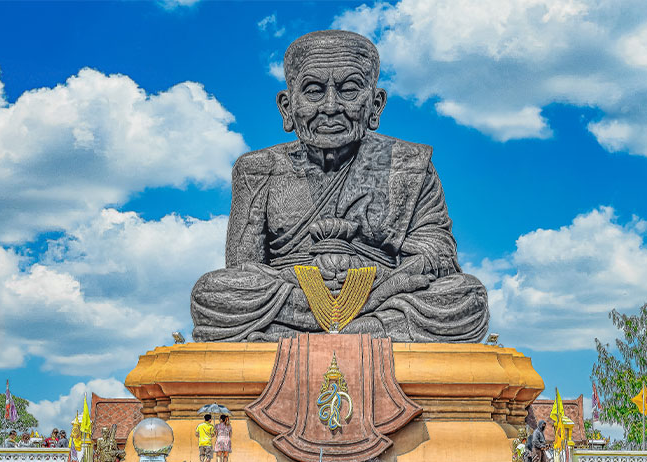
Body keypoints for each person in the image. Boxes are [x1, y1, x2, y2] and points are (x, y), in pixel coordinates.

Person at [189, 29, 488, 343]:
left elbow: (439, 257)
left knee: (467, 295)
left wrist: (378, 282)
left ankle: (295, 334)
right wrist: (301, 281)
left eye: (348, 90)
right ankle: (364, 331)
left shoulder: (409, 165)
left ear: (375, 104)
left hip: (381, 291)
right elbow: (242, 270)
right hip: (294, 293)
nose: (331, 106)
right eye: (314, 91)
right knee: (212, 292)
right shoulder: (257, 169)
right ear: (287, 106)